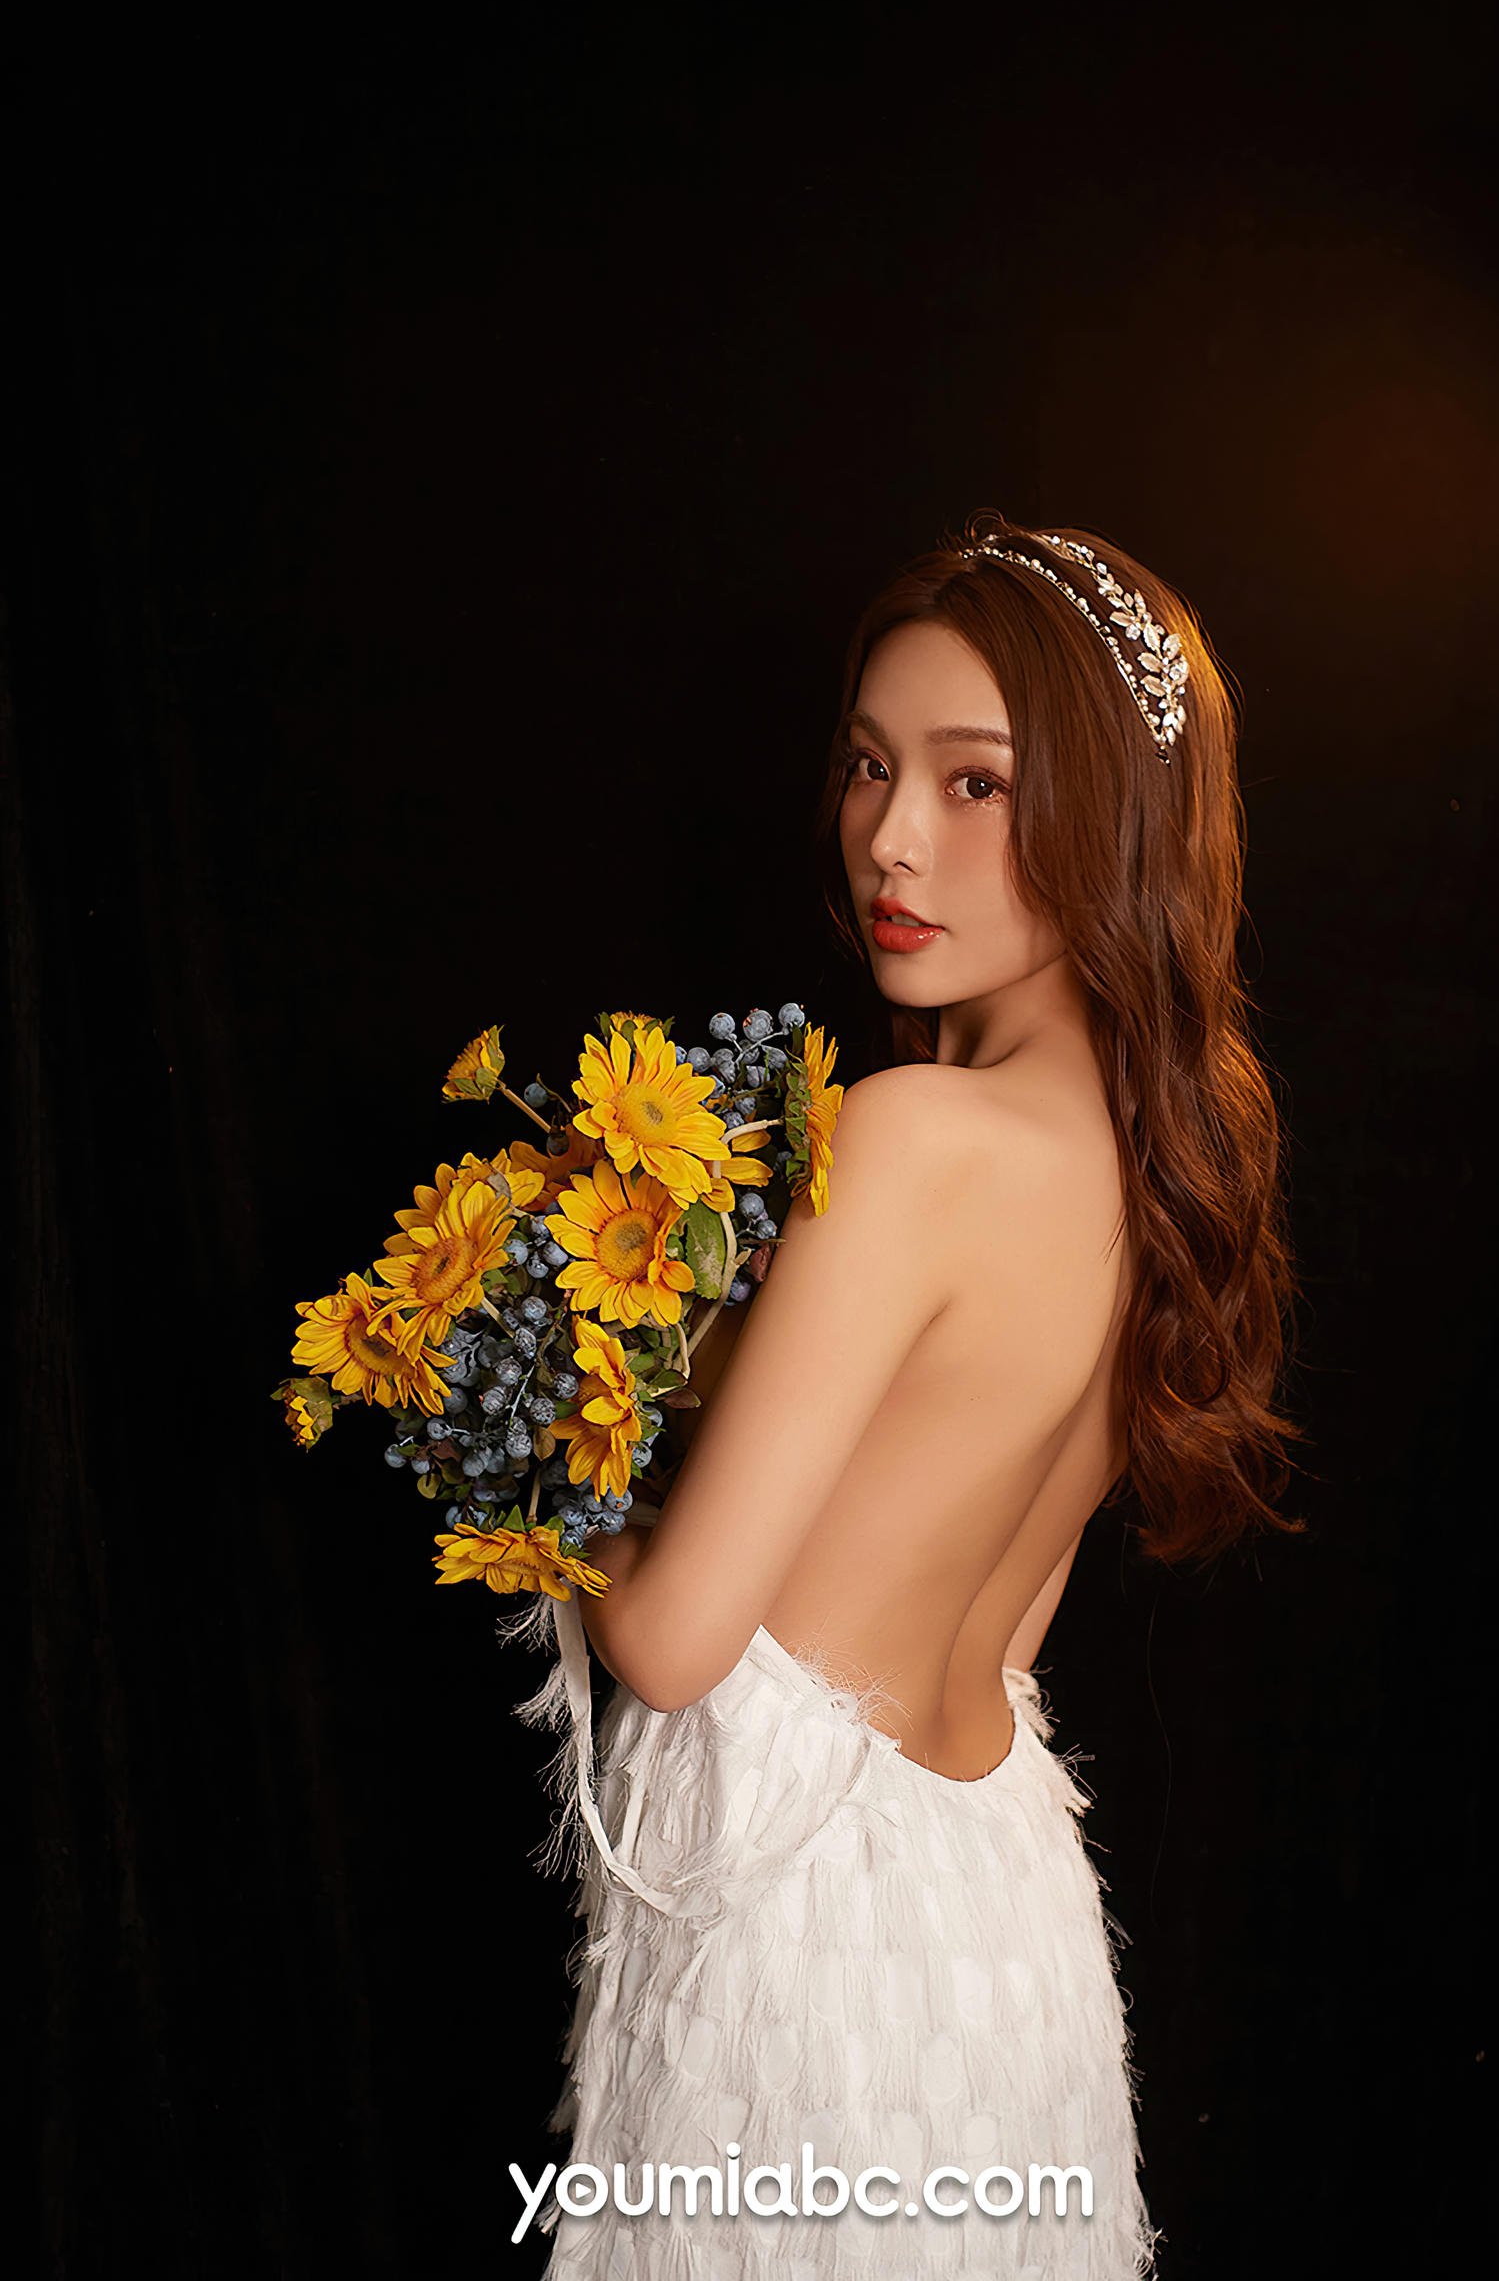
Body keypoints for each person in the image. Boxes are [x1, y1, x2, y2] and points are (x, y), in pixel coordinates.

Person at [518, 512, 1298, 2278]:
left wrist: (541, 1451)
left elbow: (673, 1644)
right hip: (993, 1934)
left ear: (1118, 821)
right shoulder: (1155, 1175)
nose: (889, 834)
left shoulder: (911, 1142)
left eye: (976, 784)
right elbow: (1004, 1633)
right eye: (872, 765)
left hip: (800, 1956)